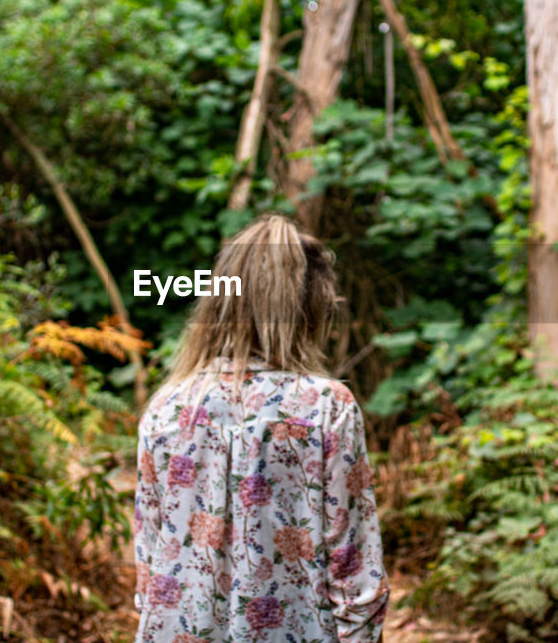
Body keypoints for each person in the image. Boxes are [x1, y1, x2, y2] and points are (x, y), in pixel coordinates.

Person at [133, 214, 389, 643]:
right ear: (306, 309)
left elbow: (151, 575)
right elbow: (355, 574)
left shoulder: (165, 409)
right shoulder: (327, 407)